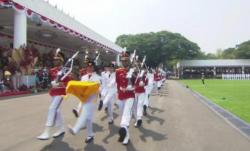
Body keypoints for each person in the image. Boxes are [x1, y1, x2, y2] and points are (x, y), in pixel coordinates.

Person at [37, 51, 72, 140]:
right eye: (54, 60)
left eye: (57, 60)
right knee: (57, 111)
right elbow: (49, 81)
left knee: (52, 108)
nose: (54, 61)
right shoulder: (52, 70)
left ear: (61, 60)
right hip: (53, 92)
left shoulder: (66, 71)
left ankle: (47, 131)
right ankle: (61, 129)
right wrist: (52, 83)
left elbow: (68, 84)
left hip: (61, 93)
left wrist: (60, 84)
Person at [68, 60, 101, 143]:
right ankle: (90, 135)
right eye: (88, 67)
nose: (89, 68)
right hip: (84, 99)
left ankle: (75, 129)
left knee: (84, 113)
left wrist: (102, 100)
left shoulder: (98, 78)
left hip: (93, 99)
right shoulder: (83, 77)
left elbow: (101, 89)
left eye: (91, 67)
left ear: (94, 68)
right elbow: (81, 87)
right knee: (88, 119)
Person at [116, 51, 136, 145]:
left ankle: (123, 129)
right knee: (123, 114)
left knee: (126, 112)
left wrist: (130, 87)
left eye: (126, 60)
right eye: (122, 60)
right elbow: (117, 83)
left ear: (129, 61)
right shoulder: (118, 71)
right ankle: (125, 135)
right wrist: (118, 91)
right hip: (121, 95)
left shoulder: (134, 71)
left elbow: (137, 84)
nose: (124, 62)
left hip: (130, 95)